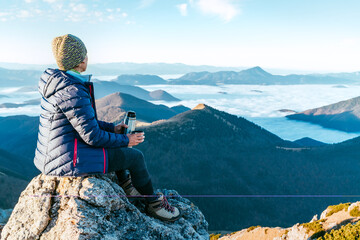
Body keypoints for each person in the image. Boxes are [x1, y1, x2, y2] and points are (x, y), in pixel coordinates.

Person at [34, 34, 182, 222]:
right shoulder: (73, 90)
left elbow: (82, 123)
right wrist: (126, 140)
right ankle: (154, 204)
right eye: (85, 54)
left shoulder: (59, 83)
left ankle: (127, 186)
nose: (87, 58)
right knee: (136, 157)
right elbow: (93, 136)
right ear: (80, 60)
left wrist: (113, 129)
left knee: (117, 145)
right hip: (68, 159)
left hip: (54, 153)